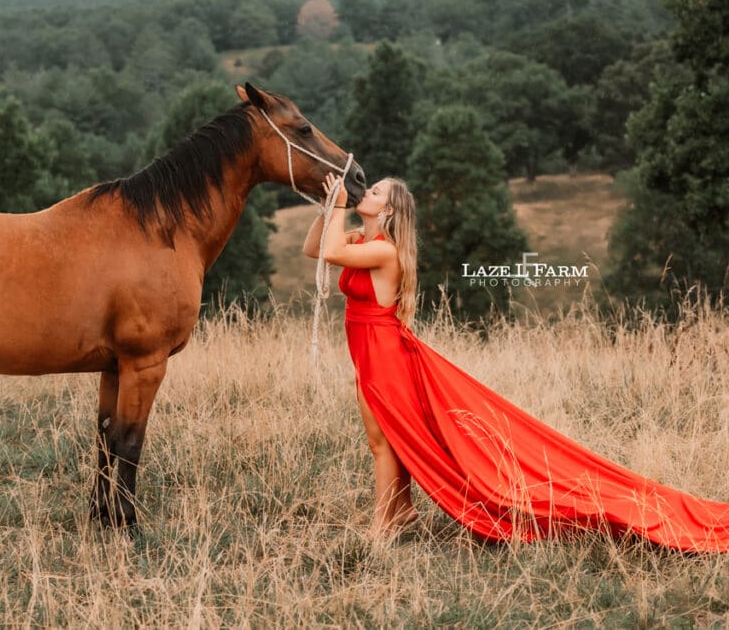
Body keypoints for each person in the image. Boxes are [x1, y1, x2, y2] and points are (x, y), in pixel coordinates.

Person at [303, 173, 729, 552]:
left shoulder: (385, 251)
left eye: (375, 190)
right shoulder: (361, 238)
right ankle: (399, 512)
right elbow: (313, 249)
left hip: (385, 355)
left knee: (385, 441)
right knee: (387, 440)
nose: (366, 190)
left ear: (390, 209)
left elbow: (332, 252)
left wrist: (339, 206)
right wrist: (326, 210)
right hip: (367, 351)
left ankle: (387, 522)